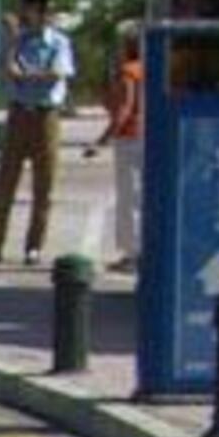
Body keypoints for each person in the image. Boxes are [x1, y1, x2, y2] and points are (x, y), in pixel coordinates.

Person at [0, 0, 73, 266]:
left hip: (45, 115)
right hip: (19, 113)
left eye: (42, 11)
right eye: (33, 10)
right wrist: (12, 42)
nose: (37, 16)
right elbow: (8, 69)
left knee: (44, 186)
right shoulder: (20, 41)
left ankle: (33, 247)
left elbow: (57, 73)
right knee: (5, 182)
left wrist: (28, 75)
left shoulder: (58, 42)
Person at [83, 28, 143, 272]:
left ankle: (132, 253)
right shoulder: (153, 68)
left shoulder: (129, 72)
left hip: (130, 137)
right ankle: (141, 249)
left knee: (128, 197)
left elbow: (125, 107)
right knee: (141, 195)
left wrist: (102, 140)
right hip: (148, 135)